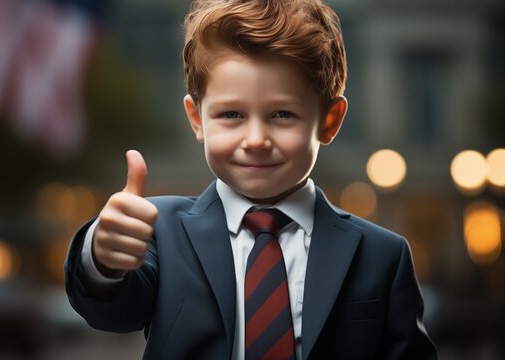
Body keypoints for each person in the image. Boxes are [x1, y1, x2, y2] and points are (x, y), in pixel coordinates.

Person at [64, 0, 437, 358]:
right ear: (197, 119)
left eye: (281, 114)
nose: (256, 140)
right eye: (231, 115)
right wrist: (101, 258)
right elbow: (113, 313)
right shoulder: (161, 232)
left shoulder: (383, 255)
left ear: (330, 120)